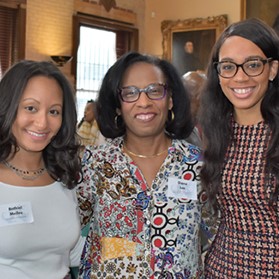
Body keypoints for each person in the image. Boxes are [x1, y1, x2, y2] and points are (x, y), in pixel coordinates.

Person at [77, 51, 205, 278]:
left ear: (171, 99)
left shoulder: (198, 165)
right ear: (117, 105)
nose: (144, 102)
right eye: (130, 93)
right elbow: (63, 231)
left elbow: (219, 235)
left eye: (155, 91)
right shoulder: (94, 164)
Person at [199, 18, 279, 278]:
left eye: (253, 65)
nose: (240, 76)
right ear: (218, 72)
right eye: (228, 66)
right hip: (220, 268)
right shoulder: (215, 133)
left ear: (273, 69)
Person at [0, 60, 84, 279]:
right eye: (31, 108)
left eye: (54, 112)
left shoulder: (65, 177)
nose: (42, 123)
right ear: (8, 106)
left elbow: (71, 254)